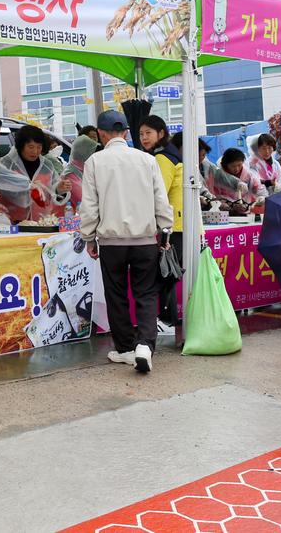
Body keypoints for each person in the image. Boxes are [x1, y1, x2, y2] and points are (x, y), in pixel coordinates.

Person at [80, 110, 173, 374]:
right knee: (146, 293)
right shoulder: (146, 160)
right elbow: (160, 201)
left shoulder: (95, 162)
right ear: (126, 133)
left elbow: (89, 207)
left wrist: (89, 237)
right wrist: (164, 232)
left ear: (101, 134)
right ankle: (145, 345)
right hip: (145, 240)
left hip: (111, 243)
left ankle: (124, 349)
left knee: (117, 294)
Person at [139, 115, 183, 335]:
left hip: (173, 226)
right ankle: (169, 320)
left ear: (161, 133)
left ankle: (166, 320)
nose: (144, 137)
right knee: (168, 275)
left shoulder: (163, 159)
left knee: (165, 274)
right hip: (179, 223)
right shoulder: (169, 155)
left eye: (148, 133)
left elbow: (158, 194)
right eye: (141, 133)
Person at [0, 125, 71, 223]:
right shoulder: (7, 163)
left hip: (40, 223)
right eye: (31, 147)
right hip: (11, 223)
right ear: (21, 145)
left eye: (39, 147)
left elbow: (52, 192)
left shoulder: (47, 165)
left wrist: (58, 189)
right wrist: (27, 188)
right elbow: (5, 190)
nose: (35, 151)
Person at [62, 135, 99, 207]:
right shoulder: (71, 174)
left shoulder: (82, 168)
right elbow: (83, 200)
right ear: (85, 153)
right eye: (92, 152)